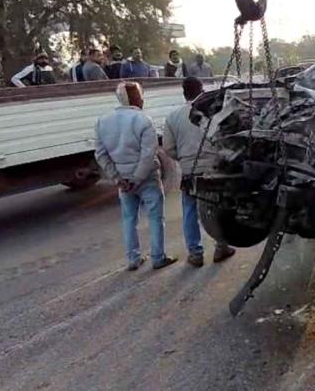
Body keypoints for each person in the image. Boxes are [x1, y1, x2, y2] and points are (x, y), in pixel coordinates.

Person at [94, 82, 178, 271]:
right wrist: (137, 178)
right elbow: (149, 153)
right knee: (155, 218)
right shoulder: (143, 120)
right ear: (133, 98)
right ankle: (158, 257)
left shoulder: (103, 121)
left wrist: (118, 178)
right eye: (140, 96)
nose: (142, 99)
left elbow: (101, 154)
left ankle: (133, 259)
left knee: (129, 220)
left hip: (123, 181)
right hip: (146, 178)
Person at [163, 77, 236, 267]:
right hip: (213, 168)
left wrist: (184, 159)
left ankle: (195, 254)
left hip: (189, 171)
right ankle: (221, 247)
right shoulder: (213, 113)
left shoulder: (173, 117)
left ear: (184, 93)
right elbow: (225, 139)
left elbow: (168, 148)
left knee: (189, 212)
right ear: (202, 91)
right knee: (217, 208)